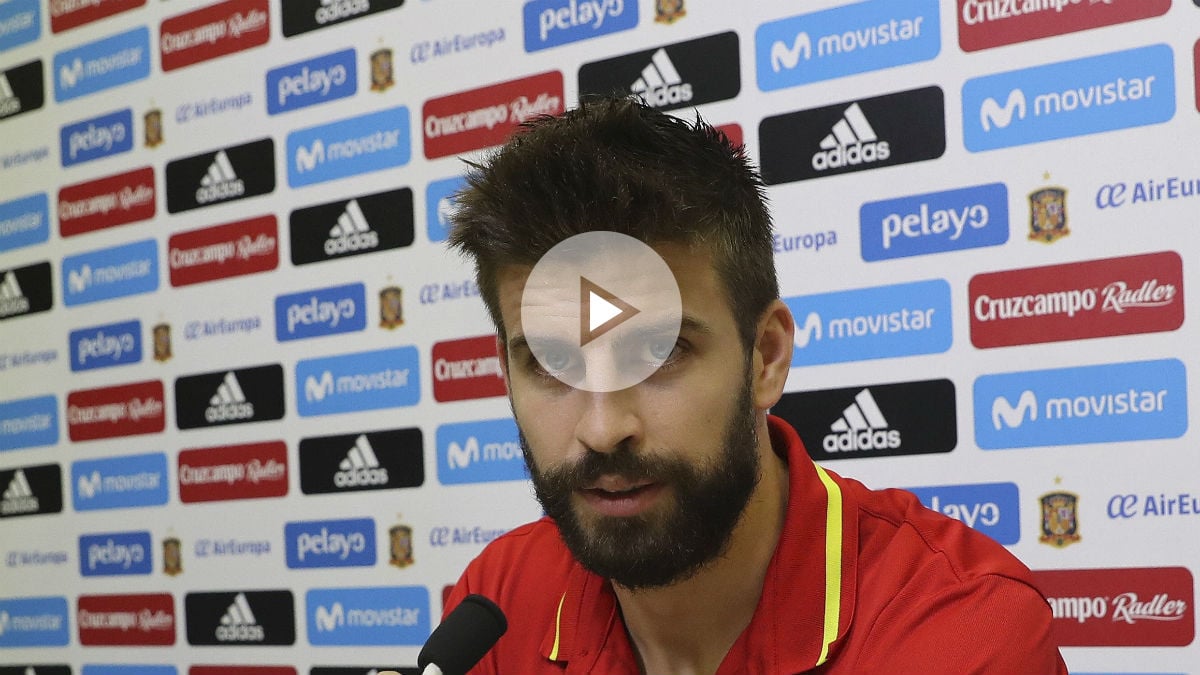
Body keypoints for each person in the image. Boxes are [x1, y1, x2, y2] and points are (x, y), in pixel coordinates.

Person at [438, 96, 1068, 674]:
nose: (602, 429)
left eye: (660, 353)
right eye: (550, 364)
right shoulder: (498, 603)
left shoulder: (959, 634)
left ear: (765, 357)